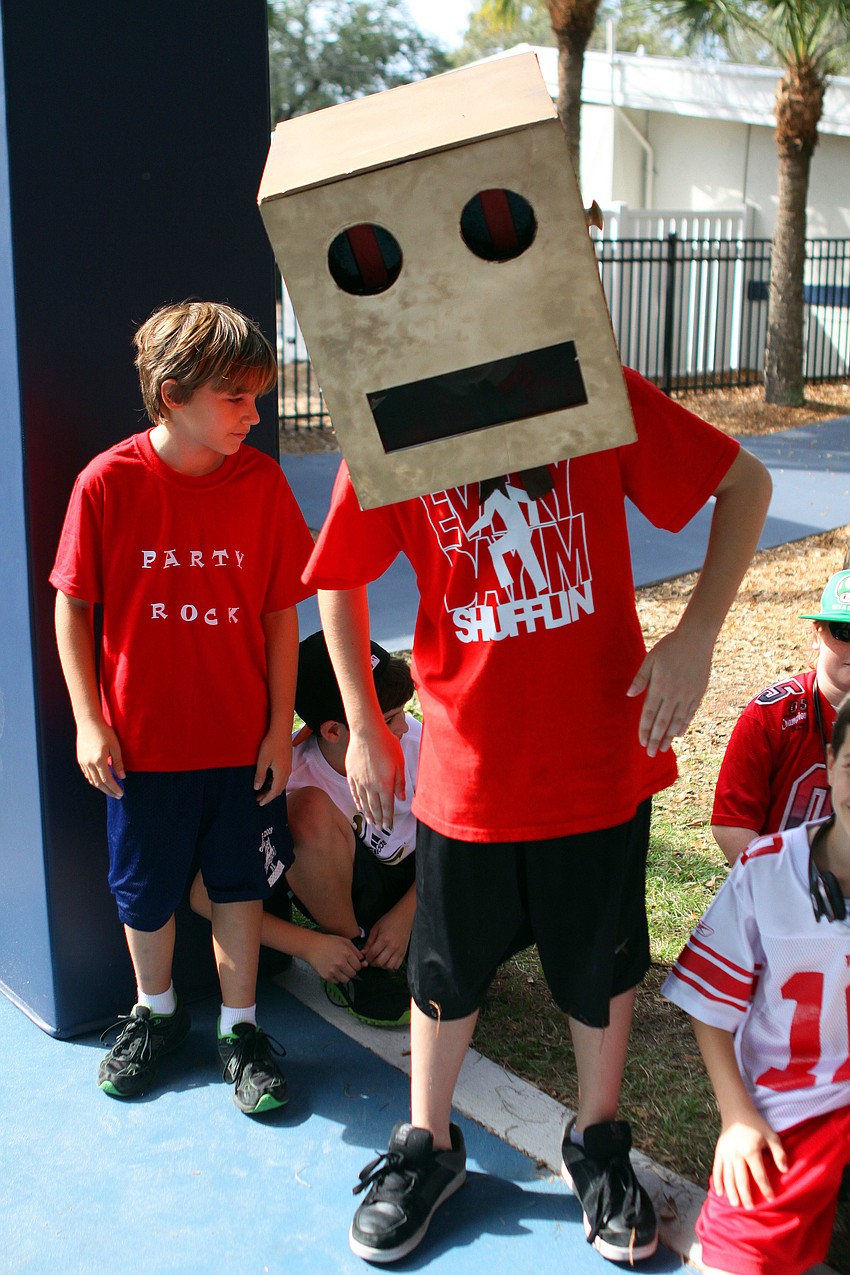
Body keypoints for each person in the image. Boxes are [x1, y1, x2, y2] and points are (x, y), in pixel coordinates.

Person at [302, 366, 772, 1264]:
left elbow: (746, 483)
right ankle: (428, 1142)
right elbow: (339, 573)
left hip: (595, 763)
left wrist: (700, 631)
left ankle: (597, 1142)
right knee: (444, 970)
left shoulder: (589, 385)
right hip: (468, 772)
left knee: (599, 963)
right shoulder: (396, 415)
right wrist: (364, 723)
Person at [49, 300, 314, 1114]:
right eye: (236, 397)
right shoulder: (107, 482)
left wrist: (278, 725)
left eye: (257, 396)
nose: (254, 414)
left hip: (241, 745)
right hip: (142, 748)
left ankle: (240, 1028)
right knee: (144, 892)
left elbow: (280, 613)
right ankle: (156, 1014)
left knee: (239, 888)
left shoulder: (262, 482)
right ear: (173, 393)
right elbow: (73, 605)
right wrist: (91, 719)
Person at [663, 690, 850, 1275]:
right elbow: (711, 1006)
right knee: (737, 1259)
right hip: (802, 1102)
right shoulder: (768, 871)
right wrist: (738, 1116)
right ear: (829, 761)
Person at [190, 628, 420, 1028]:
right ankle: (358, 960)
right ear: (331, 731)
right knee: (305, 812)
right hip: (356, 900)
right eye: (387, 720)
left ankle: (426, 949)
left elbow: (466, 844)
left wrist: (409, 915)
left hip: (428, 884)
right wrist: (311, 946)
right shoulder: (293, 775)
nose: (403, 727)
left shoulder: (419, 744)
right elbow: (206, 895)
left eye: (403, 711)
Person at [712, 569, 850, 865]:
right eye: (845, 632)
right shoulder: (770, 715)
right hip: (780, 885)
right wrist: (780, 887)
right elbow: (732, 824)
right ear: (817, 633)